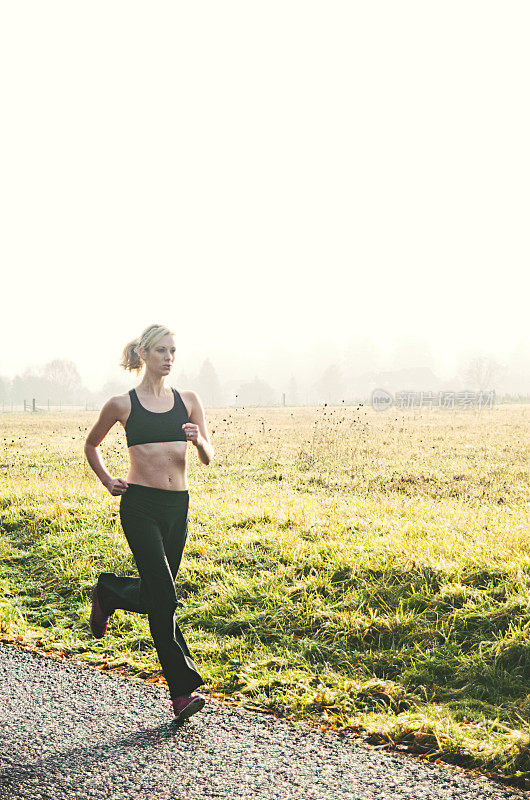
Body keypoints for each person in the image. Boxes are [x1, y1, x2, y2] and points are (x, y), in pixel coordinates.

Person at [84, 323, 214, 723]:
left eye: (173, 351)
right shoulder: (122, 405)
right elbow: (91, 444)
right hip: (140, 506)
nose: (169, 358)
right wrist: (107, 480)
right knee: (166, 598)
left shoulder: (188, 400)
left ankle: (110, 592)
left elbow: (209, 456)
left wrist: (198, 441)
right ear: (143, 354)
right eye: (161, 350)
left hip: (178, 507)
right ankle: (181, 692)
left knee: (161, 593)